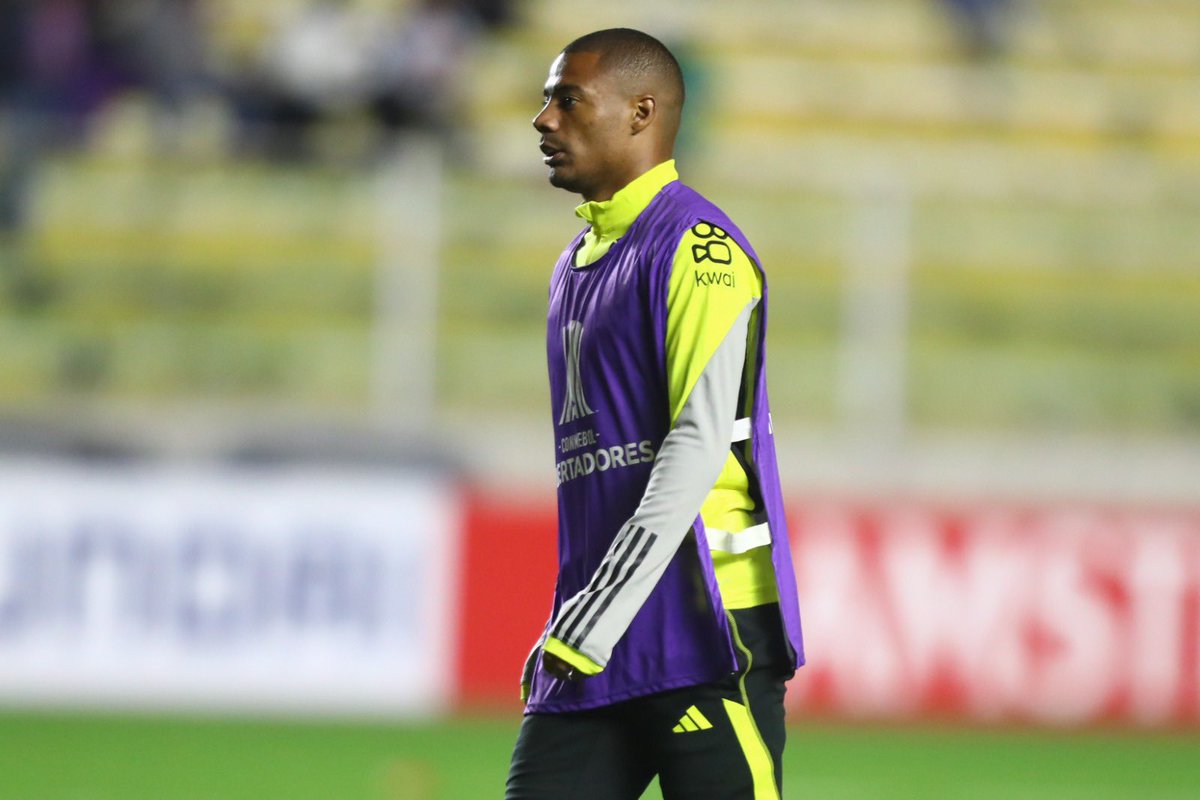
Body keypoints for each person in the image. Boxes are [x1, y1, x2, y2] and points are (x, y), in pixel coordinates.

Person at [505, 28, 804, 799]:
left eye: (567, 99)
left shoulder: (699, 249)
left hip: (706, 630)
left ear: (641, 113)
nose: (543, 119)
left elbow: (696, 447)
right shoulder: (574, 265)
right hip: (598, 635)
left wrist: (588, 621)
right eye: (546, 100)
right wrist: (580, 620)